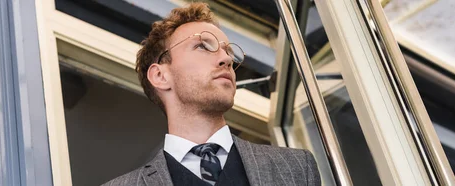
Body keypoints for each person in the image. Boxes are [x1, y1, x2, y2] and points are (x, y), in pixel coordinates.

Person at [102, 2, 321, 186]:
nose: (226, 59)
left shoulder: (296, 167)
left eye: (228, 52)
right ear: (160, 76)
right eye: (203, 47)